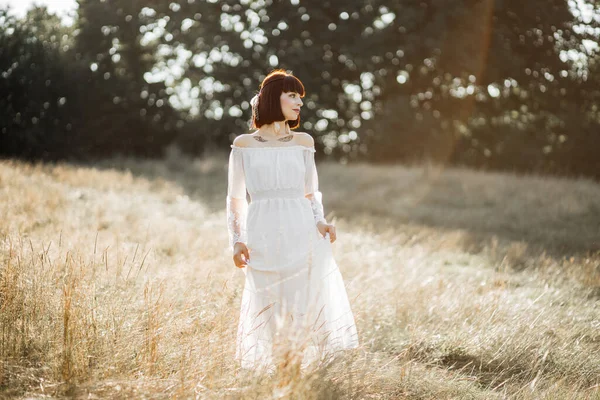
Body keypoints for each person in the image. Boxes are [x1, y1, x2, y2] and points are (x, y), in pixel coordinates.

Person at [226, 69, 359, 374]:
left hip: (301, 229)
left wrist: (321, 222)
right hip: (262, 232)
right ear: (275, 98)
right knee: (269, 300)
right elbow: (235, 198)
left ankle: (294, 371)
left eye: (300, 97)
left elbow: (310, 192)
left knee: (302, 300)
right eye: (293, 95)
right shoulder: (244, 144)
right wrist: (237, 240)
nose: (300, 102)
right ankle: (279, 370)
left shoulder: (303, 141)